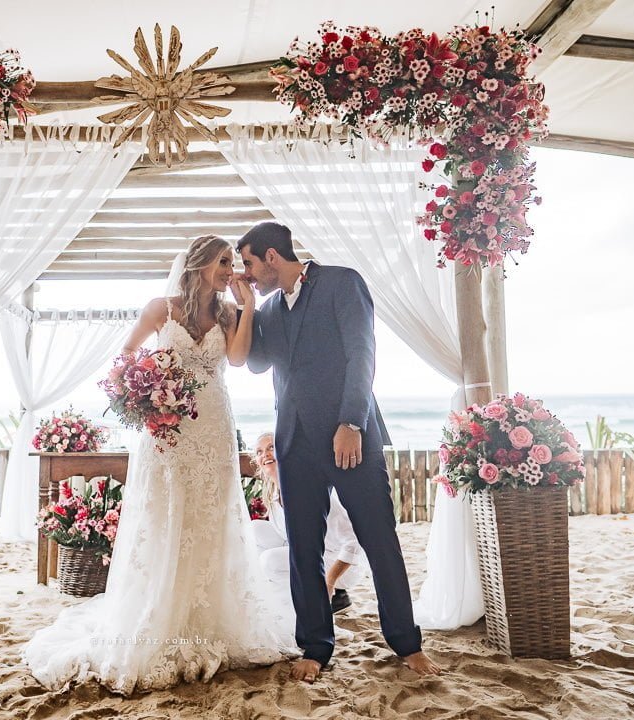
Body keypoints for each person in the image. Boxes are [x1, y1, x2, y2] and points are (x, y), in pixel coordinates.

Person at [23, 235, 297, 695]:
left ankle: (210, 619)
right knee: (165, 515)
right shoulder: (160, 308)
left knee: (210, 517)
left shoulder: (228, 313)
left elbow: (236, 358)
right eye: (222, 261)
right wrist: (146, 394)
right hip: (165, 431)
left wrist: (247, 307)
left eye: (232, 261)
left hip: (211, 425)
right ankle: (158, 617)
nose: (230, 269)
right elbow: (123, 360)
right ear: (198, 264)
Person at [237, 221, 441, 681]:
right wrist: (246, 307)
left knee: (379, 539)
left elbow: (362, 352)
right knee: (303, 549)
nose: (247, 273)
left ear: (272, 257)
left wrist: (352, 422)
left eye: (249, 264)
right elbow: (254, 364)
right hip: (293, 442)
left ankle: (407, 644)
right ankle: (314, 647)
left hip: (349, 437)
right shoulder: (268, 310)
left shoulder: (342, 282)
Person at [250, 432, 365, 613]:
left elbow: (354, 542)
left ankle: (328, 599)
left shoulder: (312, 490)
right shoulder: (273, 493)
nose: (265, 455)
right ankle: (282, 595)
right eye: (259, 451)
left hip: (338, 563)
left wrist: (330, 580)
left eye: (271, 447)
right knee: (253, 530)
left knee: (269, 560)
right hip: (306, 551)